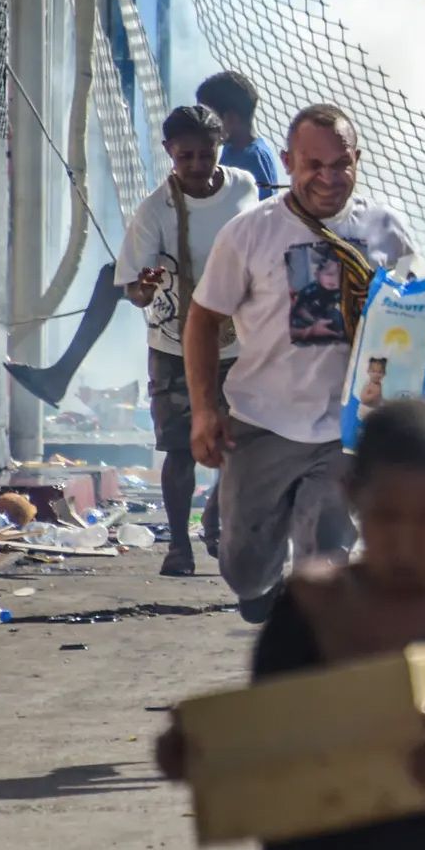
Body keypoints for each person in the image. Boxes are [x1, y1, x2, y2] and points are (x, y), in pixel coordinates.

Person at [155, 399, 425, 850]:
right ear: (351, 495)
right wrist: (197, 752)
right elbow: (262, 748)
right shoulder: (306, 611)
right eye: (387, 517)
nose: (407, 542)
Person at [187, 103, 417, 623]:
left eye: (341, 165)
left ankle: (312, 651)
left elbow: (412, 320)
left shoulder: (384, 229)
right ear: (288, 162)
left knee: (324, 555)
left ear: (357, 160)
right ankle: (258, 589)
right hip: (263, 423)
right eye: (314, 165)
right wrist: (203, 411)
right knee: (243, 565)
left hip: (347, 429)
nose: (329, 179)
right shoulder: (250, 234)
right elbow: (202, 321)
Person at [116, 105, 259, 576]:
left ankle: (216, 516)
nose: (198, 166)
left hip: (240, 341)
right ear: (169, 154)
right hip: (174, 344)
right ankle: (179, 545)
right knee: (180, 447)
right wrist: (147, 286)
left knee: (240, 441)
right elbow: (134, 292)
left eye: (206, 154)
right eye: (186, 157)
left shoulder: (244, 188)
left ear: (221, 149)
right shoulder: (154, 211)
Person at [197, 71, 280, 199]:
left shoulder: (252, 158)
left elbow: (263, 210)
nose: (202, 124)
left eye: (207, 118)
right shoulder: (231, 147)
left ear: (230, 118)